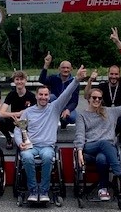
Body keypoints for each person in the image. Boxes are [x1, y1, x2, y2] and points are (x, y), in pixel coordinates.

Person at [15, 65, 87, 202]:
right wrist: (20, 143)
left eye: (46, 95)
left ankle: (43, 191)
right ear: (36, 96)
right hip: (31, 146)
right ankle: (33, 190)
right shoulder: (28, 112)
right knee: (27, 157)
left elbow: (66, 94)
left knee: (48, 157)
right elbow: (18, 129)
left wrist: (76, 80)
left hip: (47, 146)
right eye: (41, 95)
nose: (43, 97)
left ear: (49, 96)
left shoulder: (54, 108)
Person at [84, 65, 121, 143]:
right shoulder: (102, 86)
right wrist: (90, 80)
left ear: (119, 75)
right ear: (108, 74)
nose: (113, 76)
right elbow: (87, 96)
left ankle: (120, 138)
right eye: (111, 74)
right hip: (103, 118)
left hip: (119, 119)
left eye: (116, 74)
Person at [38, 52, 79, 129]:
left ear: (71, 69)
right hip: (54, 104)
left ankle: (64, 121)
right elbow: (42, 80)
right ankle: (48, 123)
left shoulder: (74, 82)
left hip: (66, 105)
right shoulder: (53, 78)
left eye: (68, 68)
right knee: (51, 96)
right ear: (59, 69)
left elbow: (74, 101)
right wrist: (46, 65)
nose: (65, 70)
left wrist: (68, 110)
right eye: (63, 68)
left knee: (73, 118)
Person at [0, 70, 36, 150]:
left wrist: (23, 119)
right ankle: (9, 138)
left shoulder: (32, 96)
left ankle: (27, 139)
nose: (19, 82)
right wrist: (17, 114)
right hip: (14, 122)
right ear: (14, 81)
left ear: (25, 80)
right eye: (17, 79)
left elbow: (35, 114)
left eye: (21, 79)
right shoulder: (11, 94)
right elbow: (1, 113)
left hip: (27, 124)